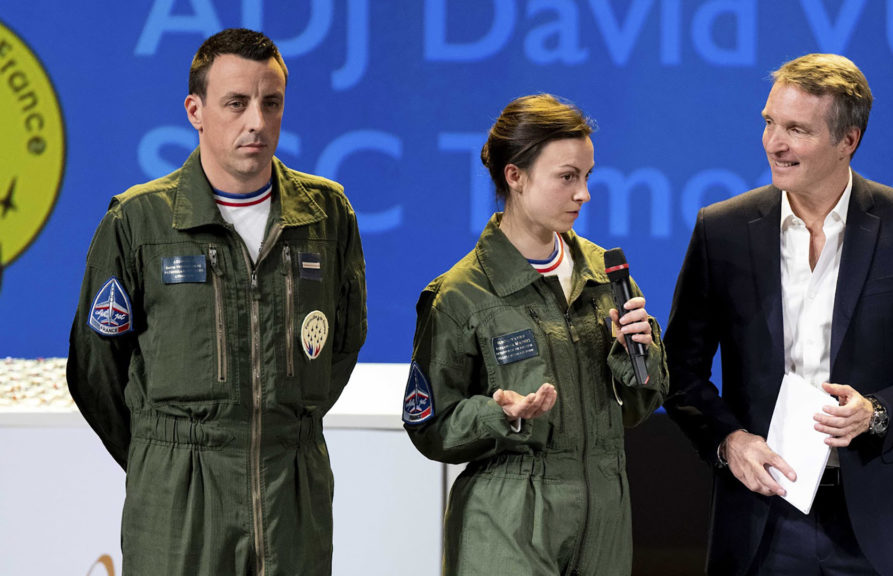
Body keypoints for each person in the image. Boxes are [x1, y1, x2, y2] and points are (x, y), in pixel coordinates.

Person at [662, 53, 893, 576]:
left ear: (847, 141)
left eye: (796, 129)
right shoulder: (722, 231)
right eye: (769, 122)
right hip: (762, 522)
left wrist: (876, 411)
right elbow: (680, 371)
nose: (774, 143)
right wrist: (728, 441)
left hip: (878, 525)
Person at [67, 28, 367, 575]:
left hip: (292, 490)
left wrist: (282, 420)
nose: (256, 121)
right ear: (196, 110)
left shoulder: (328, 214)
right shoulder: (139, 221)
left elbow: (343, 340)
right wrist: (163, 455)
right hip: (179, 496)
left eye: (270, 102)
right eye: (236, 103)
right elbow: (95, 371)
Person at [403, 93, 668, 575]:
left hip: (605, 516)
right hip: (508, 522)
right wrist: (496, 414)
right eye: (567, 177)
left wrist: (640, 357)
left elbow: (638, 408)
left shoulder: (606, 275)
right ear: (515, 176)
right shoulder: (462, 294)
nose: (583, 193)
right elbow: (429, 426)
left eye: (587, 177)